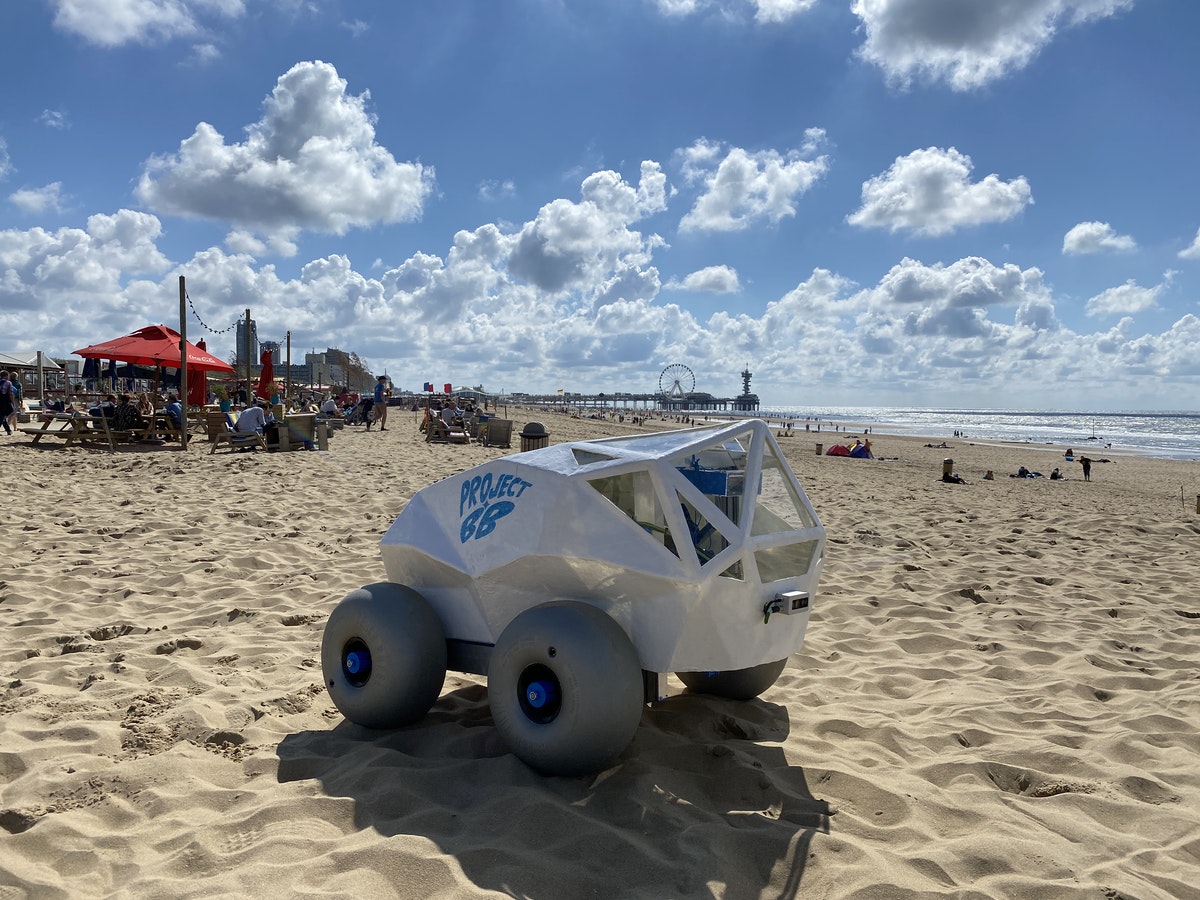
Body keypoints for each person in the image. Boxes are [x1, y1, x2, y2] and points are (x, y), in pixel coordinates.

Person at [0, 370, 14, 435]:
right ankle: (8, 430)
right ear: (6, 376)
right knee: (10, 411)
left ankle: (8, 430)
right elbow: (10, 393)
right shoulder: (8, 383)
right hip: (5, 400)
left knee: (2, 415)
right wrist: (12, 401)